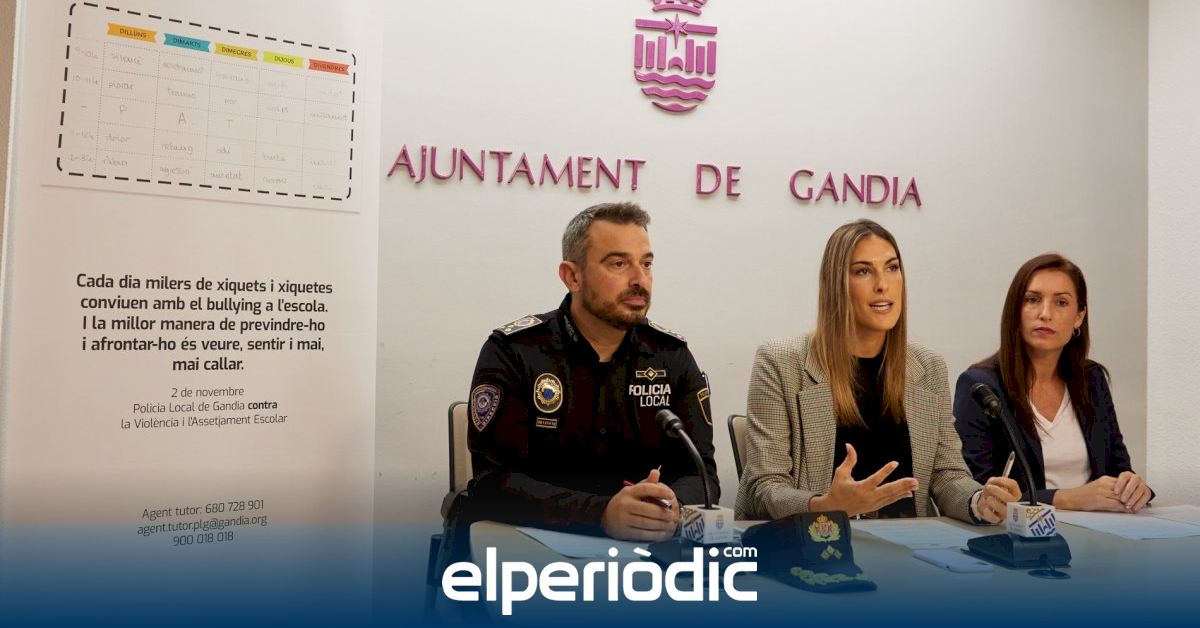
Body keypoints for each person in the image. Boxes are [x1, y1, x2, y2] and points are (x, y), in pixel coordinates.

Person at [736, 219, 1019, 523]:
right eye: (863, 271)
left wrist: (979, 501)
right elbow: (763, 488)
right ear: (836, 285)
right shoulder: (781, 363)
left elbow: (946, 474)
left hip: (909, 545)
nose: (883, 284)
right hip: (820, 540)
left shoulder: (929, 367)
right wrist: (826, 505)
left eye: (892, 268)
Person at [466, 202, 718, 542]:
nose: (639, 279)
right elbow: (492, 483)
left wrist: (670, 505)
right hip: (532, 548)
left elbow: (702, 475)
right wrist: (599, 514)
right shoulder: (514, 352)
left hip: (646, 552)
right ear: (572, 276)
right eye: (618, 264)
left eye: (646, 264)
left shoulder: (671, 357)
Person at [954, 253, 1152, 512]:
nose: (1045, 314)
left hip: (1100, 529)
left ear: (1079, 316)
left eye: (1061, 302)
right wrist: (1068, 498)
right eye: (1032, 300)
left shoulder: (1092, 379)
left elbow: (1118, 468)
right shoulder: (980, 386)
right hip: (1018, 532)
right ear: (1016, 310)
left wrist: (1133, 487)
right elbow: (980, 492)